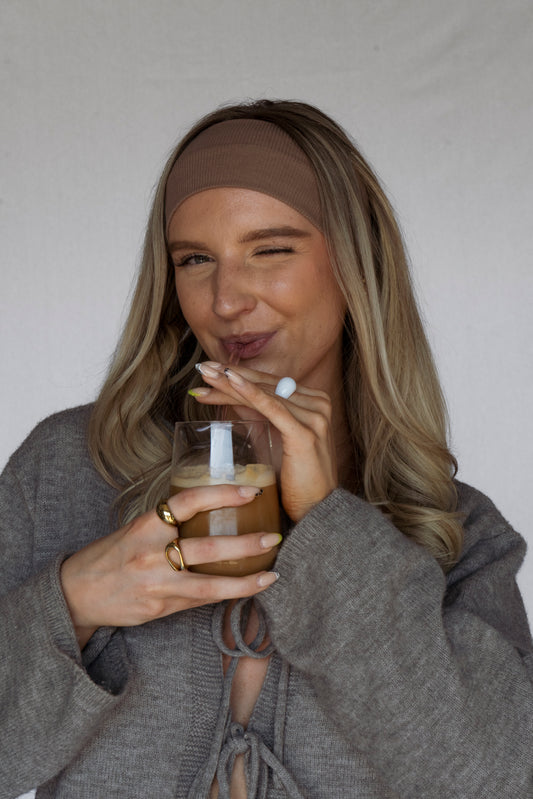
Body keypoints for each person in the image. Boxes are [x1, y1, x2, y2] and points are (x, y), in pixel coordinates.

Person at [1, 100, 532, 799]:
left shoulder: (455, 531)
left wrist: (327, 530)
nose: (225, 298)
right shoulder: (68, 468)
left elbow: (496, 781)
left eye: (271, 249)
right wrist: (72, 601)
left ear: (354, 259)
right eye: (195, 259)